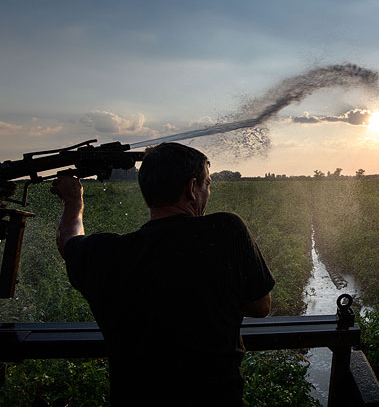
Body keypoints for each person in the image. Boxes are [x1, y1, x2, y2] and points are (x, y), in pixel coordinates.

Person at [51, 142, 275, 406]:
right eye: (208, 184)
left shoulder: (106, 254)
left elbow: (68, 240)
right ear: (192, 189)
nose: (208, 192)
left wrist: (73, 200)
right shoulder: (225, 229)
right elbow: (261, 306)